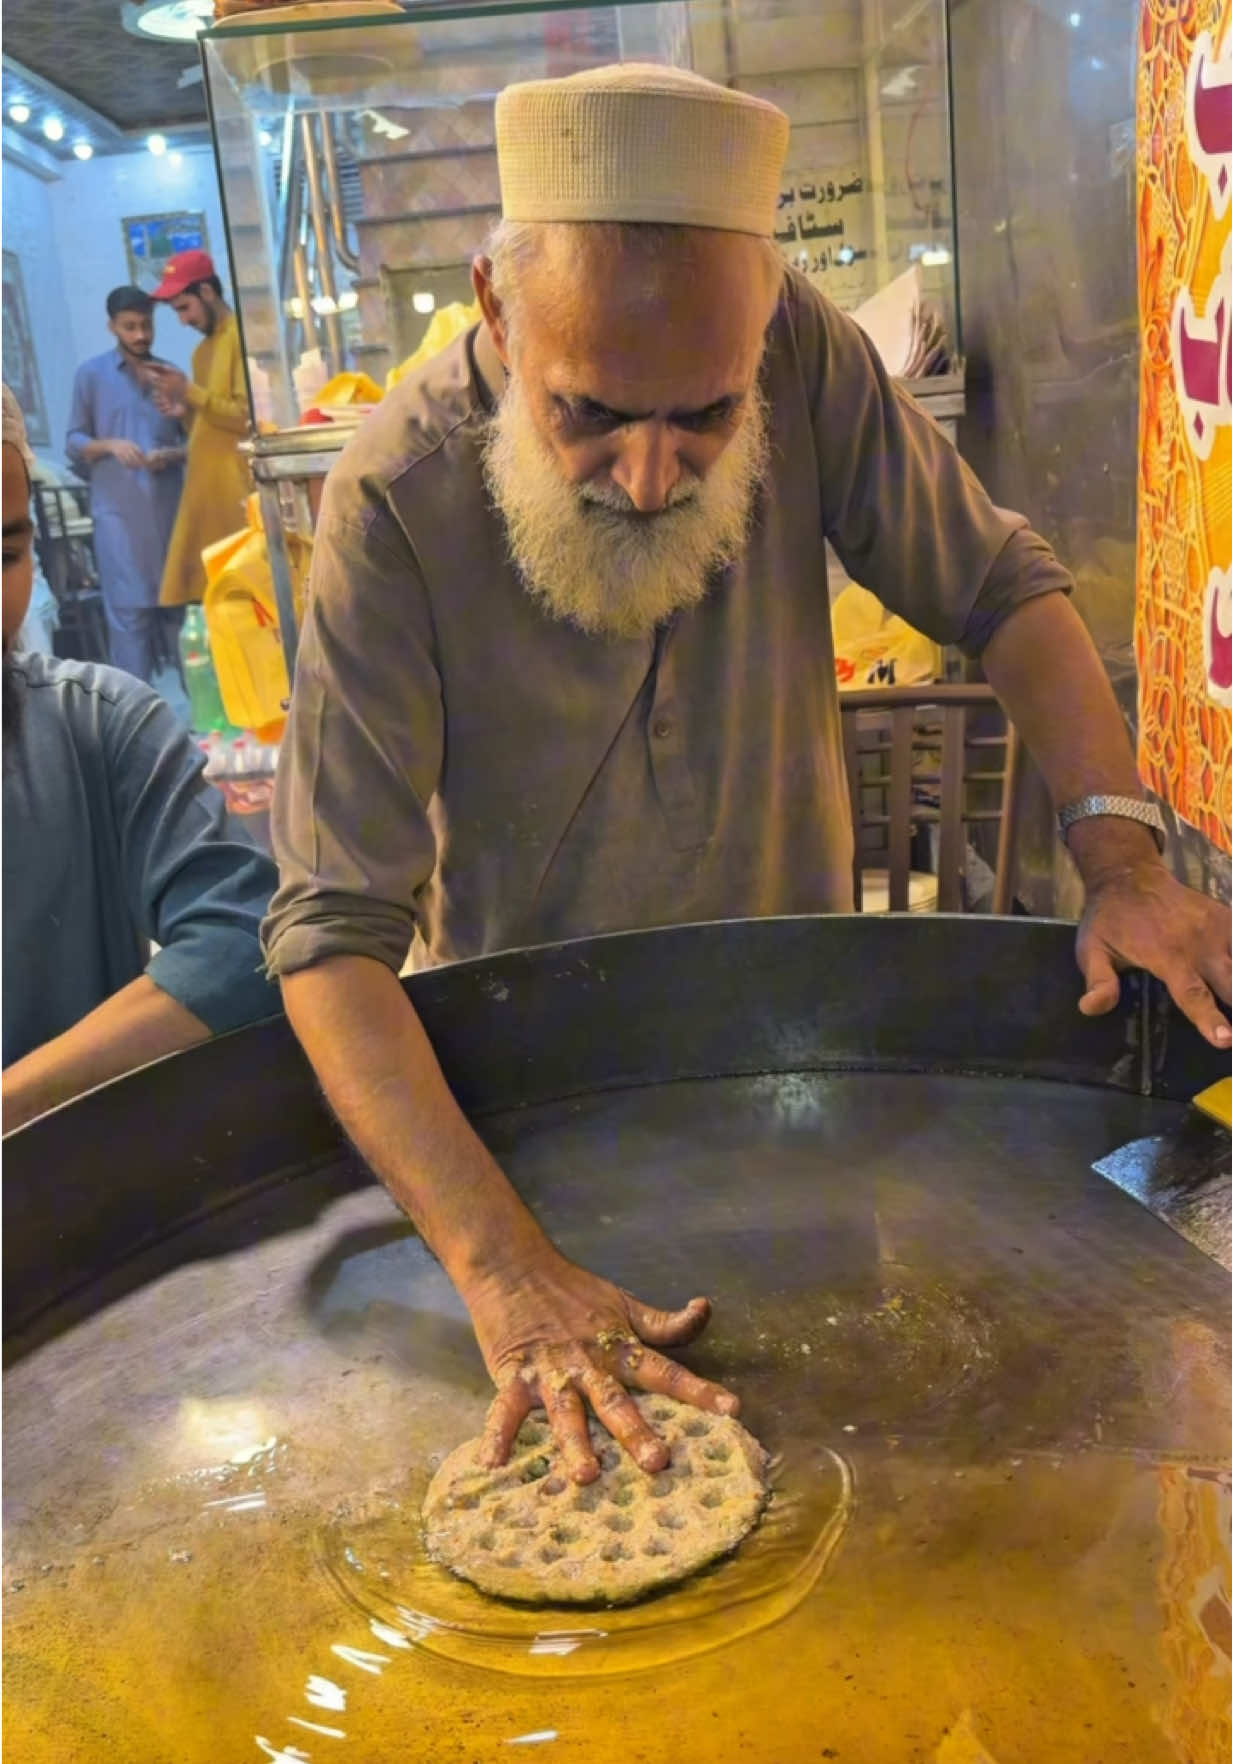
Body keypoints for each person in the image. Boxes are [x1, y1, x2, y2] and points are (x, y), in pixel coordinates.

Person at [262, 65, 1231, 1485]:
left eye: (704, 418)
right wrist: (507, 1273)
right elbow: (330, 936)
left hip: (804, 1085)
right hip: (533, 1129)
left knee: (852, 1483)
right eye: (590, 413)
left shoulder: (802, 360)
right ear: (496, 312)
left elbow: (1006, 590)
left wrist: (1122, 860)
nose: (651, 476)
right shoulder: (392, 504)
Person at [2, 385, 279, 1133]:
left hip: (81, 1182)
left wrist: (15, 1107)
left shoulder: (96, 727)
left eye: (6, 554)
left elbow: (242, 941)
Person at [65, 286, 185, 685]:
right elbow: (74, 440)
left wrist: (173, 454)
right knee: (129, 623)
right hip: (120, 520)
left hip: (170, 516)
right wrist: (110, 445)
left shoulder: (171, 375)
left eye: (146, 325)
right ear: (112, 327)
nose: (140, 335)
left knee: (183, 622)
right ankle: (135, 719)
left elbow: (197, 443)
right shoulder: (91, 375)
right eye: (130, 327)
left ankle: (206, 716)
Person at [140, 250, 252, 611]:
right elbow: (211, 420)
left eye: (185, 308)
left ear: (207, 291)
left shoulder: (242, 336)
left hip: (236, 492)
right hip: (206, 490)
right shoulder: (202, 352)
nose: (184, 320)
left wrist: (188, 392)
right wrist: (183, 412)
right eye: (177, 312)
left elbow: (244, 418)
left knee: (248, 597)